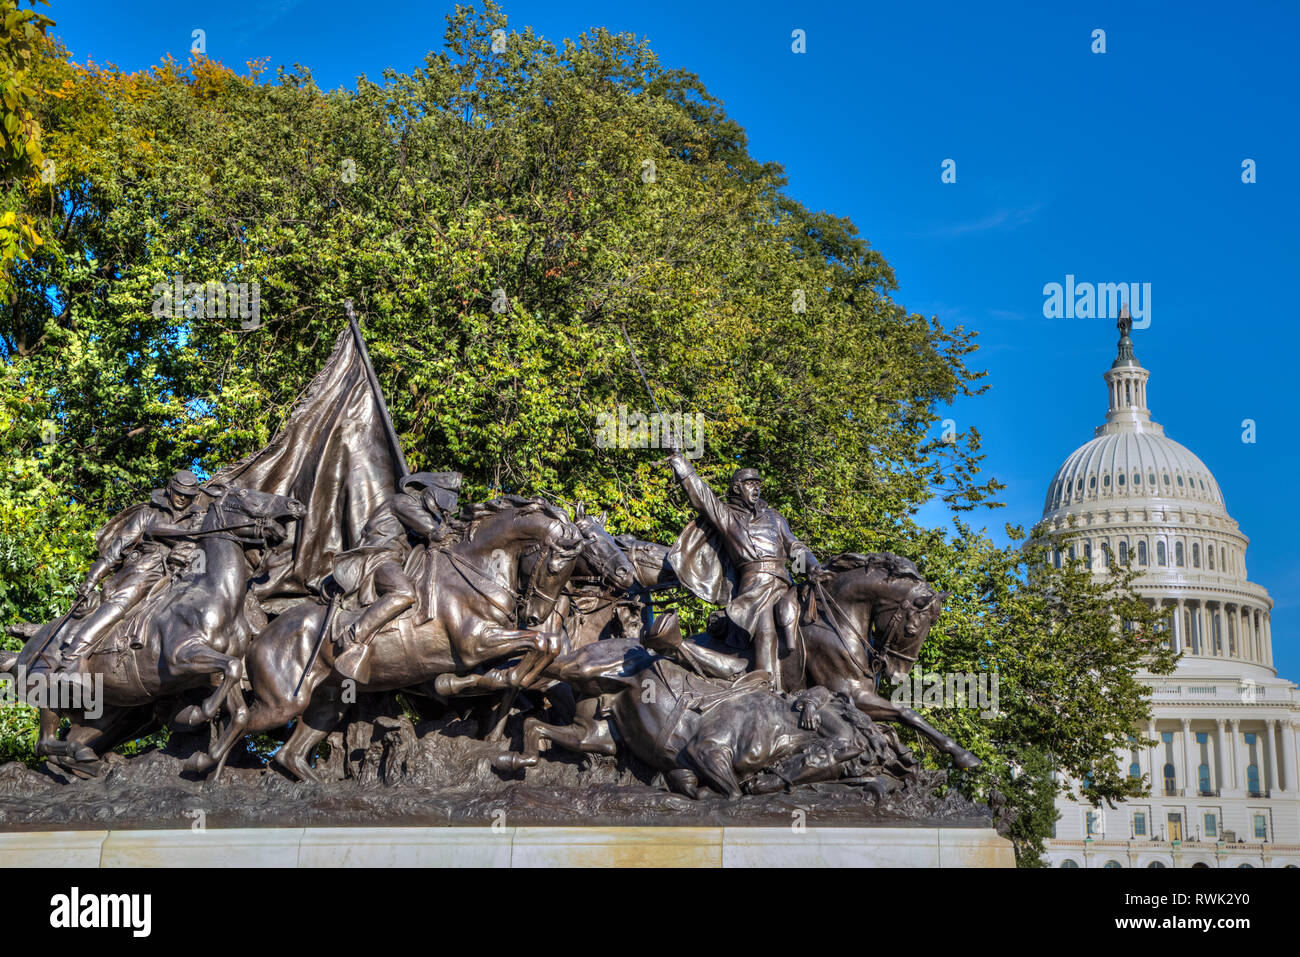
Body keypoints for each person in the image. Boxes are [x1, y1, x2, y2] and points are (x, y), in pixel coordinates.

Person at [664, 453, 827, 693]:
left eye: (758, 485)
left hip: (785, 584)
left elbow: (794, 546)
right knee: (766, 628)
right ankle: (765, 690)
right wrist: (679, 461)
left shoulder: (774, 517)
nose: (756, 489)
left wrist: (811, 565)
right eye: (751, 484)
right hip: (755, 589)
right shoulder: (728, 516)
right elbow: (701, 495)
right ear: (737, 488)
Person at [59, 469, 207, 665]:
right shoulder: (148, 514)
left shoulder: (200, 519)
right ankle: (73, 655)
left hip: (185, 574)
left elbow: (204, 555)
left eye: (187, 496)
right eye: (179, 493)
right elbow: (115, 550)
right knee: (122, 602)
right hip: (147, 570)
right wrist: (92, 579)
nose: (182, 498)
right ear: (170, 489)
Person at [330, 471, 463, 681]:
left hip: (396, 561)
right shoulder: (402, 502)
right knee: (404, 592)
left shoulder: (412, 506)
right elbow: (433, 531)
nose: (442, 510)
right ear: (430, 493)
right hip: (378, 559)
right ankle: (353, 637)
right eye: (442, 502)